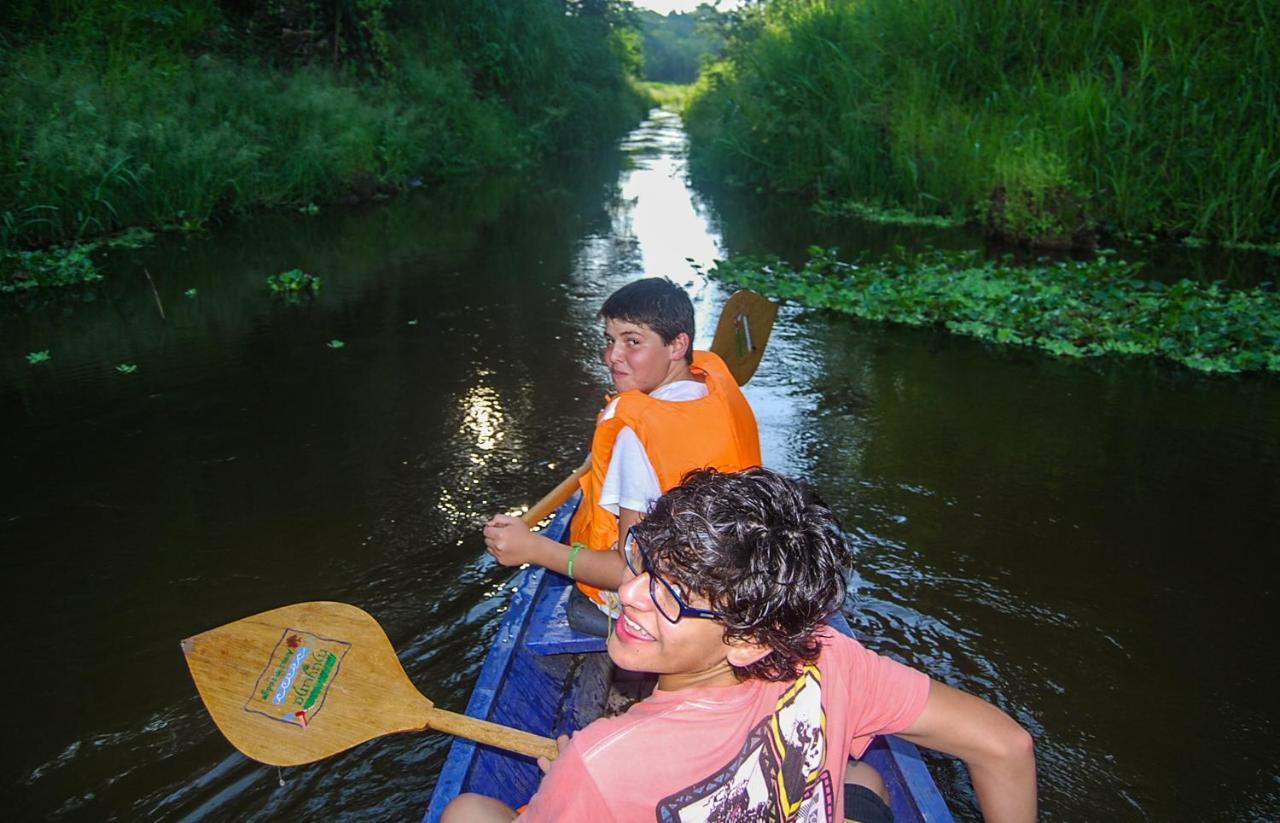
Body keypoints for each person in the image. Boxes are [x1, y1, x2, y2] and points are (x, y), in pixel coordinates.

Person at [448, 468, 1037, 823]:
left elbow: (610, 774)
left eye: (675, 598)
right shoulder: (829, 655)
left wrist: (571, 784)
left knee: (469, 812)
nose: (628, 594)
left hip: (600, 775)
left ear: (750, 640)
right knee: (863, 780)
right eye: (644, 563)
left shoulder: (601, 763)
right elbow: (1006, 747)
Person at [483, 278, 761, 636]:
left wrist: (533, 548)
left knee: (584, 597)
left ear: (678, 345)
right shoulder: (716, 389)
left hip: (678, 607)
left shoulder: (636, 435)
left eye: (632, 341)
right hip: (738, 578)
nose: (612, 357)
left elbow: (632, 572)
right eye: (610, 340)